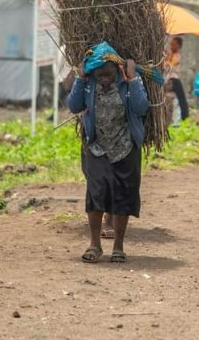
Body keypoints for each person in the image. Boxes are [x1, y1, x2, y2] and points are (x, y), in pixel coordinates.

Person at [67, 42, 149, 264]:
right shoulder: (88, 84)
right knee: (96, 194)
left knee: (123, 196)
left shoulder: (128, 82)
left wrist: (132, 80)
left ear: (117, 70)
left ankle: (118, 247)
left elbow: (142, 108)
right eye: (99, 75)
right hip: (97, 147)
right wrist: (80, 77)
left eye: (108, 75)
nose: (103, 79)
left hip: (125, 147)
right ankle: (94, 244)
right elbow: (73, 106)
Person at [164, 37, 189, 122]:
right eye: (171, 44)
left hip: (174, 79)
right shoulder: (169, 54)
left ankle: (185, 116)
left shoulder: (177, 56)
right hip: (168, 79)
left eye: (173, 45)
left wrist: (166, 60)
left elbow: (169, 66)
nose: (171, 46)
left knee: (181, 98)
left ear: (178, 46)